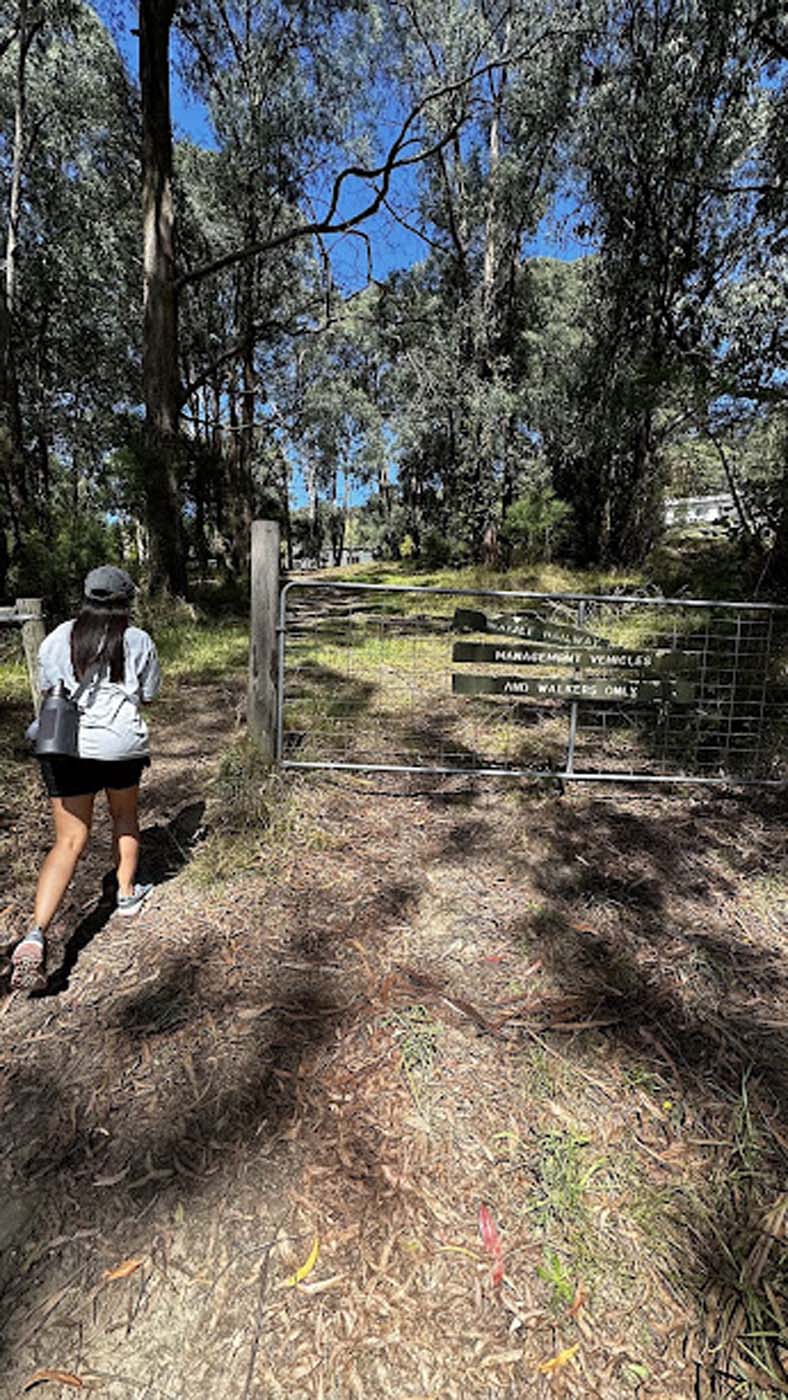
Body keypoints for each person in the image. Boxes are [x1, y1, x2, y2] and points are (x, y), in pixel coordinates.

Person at [10, 565, 161, 992]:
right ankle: (127, 893)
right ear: (126, 600)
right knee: (124, 819)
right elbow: (148, 695)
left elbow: (48, 691)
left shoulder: (58, 637)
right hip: (119, 746)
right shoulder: (138, 640)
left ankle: (36, 934)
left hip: (67, 747)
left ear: (86, 598)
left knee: (69, 842)